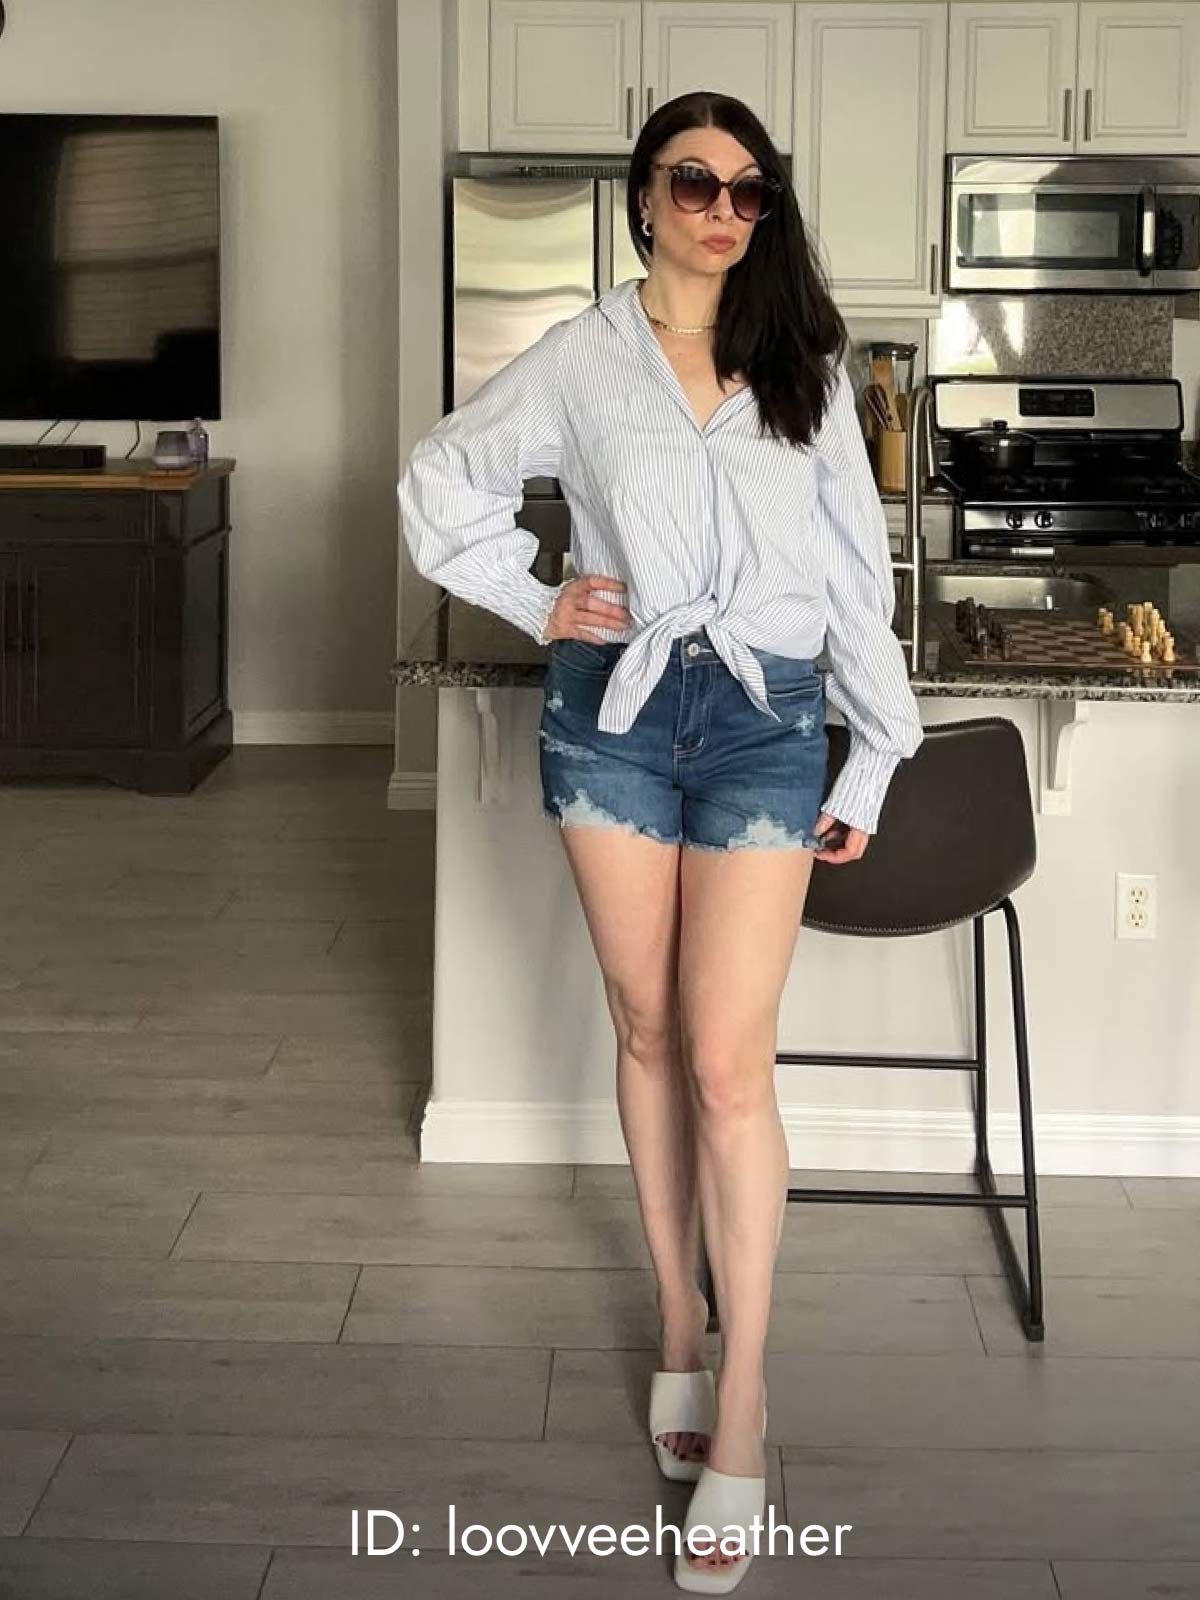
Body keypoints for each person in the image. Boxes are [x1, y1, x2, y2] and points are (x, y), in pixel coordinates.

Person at [399, 90, 924, 1594]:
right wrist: (536, 597)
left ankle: (743, 1393)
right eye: (695, 184)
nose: (722, 213)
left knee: (727, 1062)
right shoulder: (581, 358)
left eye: (751, 193)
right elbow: (440, 479)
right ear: (644, 198)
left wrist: (877, 744)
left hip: (765, 718)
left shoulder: (804, 365)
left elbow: (853, 572)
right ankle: (679, 1324)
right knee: (641, 1027)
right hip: (612, 716)